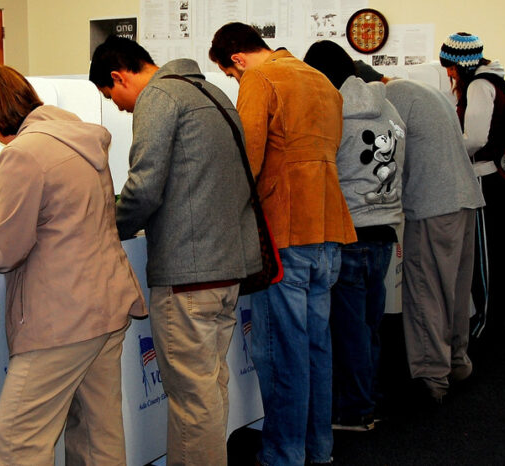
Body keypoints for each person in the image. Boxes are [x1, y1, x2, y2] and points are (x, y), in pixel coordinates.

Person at [89, 35, 261, 465]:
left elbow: (144, 187)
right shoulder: (213, 92)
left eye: (114, 97)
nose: (120, 107)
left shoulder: (159, 98)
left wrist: (105, 225)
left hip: (188, 275)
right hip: (227, 267)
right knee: (209, 388)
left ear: (118, 75)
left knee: (191, 398)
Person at [0, 65, 146, 465]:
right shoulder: (80, 136)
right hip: (108, 302)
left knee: (16, 440)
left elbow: (6, 250)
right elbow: (63, 220)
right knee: (97, 434)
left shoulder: (23, 155)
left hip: (63, 319)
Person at [209, 23, 357, 465]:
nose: (236, 82)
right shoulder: (321, 79)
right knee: (316, 348)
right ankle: (318, 447)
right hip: (329, 226)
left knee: (280, 351)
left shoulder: (260, 79)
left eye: (231, 76)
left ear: (236, 59)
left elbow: (246, 160)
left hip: (286, 234)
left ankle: (284, 453)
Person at [304, 40, 405, 431]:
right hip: (385, 229)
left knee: (347, 331)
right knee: (369, 326)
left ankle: (355, 410)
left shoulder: (333, 110)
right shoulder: (389, 105)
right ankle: (370, 399)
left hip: (349, 230)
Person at [384, 77, 486, 402]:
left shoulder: (390, 97)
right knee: (454, 289)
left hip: (432, 205)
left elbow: (387, 155)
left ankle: (432, 377)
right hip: (465, 198)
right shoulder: (429, 92)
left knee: (427, 290)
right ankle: (457, 361)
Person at [439, 32, 505, 329]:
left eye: (450, 67)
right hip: (496, 179)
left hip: (484, 180)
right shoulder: (494, 81)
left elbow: (476, 138)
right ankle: (490, 321)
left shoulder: (480, 86)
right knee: (494, 254)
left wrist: (447, 147)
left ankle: (483, 324)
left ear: (461, 64)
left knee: (484, 258)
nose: (449, 74)